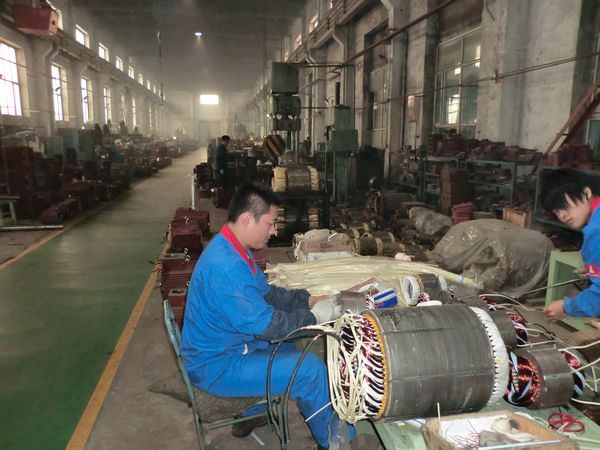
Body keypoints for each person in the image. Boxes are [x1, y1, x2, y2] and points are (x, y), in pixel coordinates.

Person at [180, 183, 350, 448]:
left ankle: (251, 413)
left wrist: (307, 299)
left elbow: (268, 295)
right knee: (310, 370)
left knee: (291, 348)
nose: (273, 231)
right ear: (247, 219)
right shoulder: (225, 267)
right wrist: (316, 316)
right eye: (270, 224)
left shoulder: (233, 249)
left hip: (230, 345)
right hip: (216, 365)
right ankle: (338, 443)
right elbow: (271, 327)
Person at [541, 169, 600, 324]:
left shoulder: (596, 230)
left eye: (564, 206)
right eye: (556, 211)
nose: (562, 215)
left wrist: (566, 307)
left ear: (586, 193)